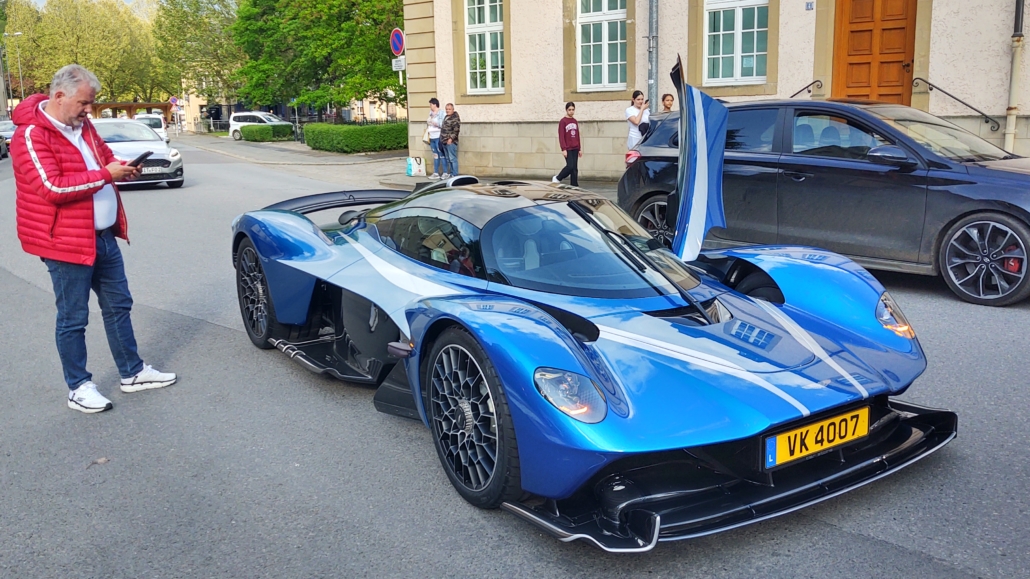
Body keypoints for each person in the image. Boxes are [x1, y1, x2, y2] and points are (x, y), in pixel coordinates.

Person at [11, 64, 177, 414]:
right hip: (64, 243)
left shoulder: (82, 126)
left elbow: (105, 157)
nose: (89, 111)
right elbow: (52, 188)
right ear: (59, 96)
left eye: (91, 104)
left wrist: (123, 167)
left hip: (103, 237)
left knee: (119, 306)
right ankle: (78, 387)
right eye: (84, 103)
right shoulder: (31, 135)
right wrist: (106, 174)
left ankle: (132, 372)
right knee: (73, 318)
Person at [552, 102, 581, 187]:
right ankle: (558, 178)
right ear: (566, 110)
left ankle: (574, 185)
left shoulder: (575, 121)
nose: (571, 111)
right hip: (568, 148)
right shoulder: (563, 121)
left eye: (573, 110)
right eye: (569, 110)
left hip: (575, 147)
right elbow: (561, 136)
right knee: (570, 166)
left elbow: (577, 135)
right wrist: (563, 149)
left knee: (574, 168)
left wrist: (579, 148)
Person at [426, 98, 446, 179]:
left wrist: (435, 123)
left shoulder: (441, 113)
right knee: (435, 155)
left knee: (441, 154)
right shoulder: (430, 113)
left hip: (438, 136)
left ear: (435, 104)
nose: (430, 106)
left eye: (431, 104)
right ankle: (436, 173)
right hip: (432, 137)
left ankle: (445, 173)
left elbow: (443, 124)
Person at [440, 103, 461, 178]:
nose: (447, 110)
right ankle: (451, 173)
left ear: (453, 109)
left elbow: (456, 130)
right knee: (448, 159)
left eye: (449, 109)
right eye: (446, 109)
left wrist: (451, 139)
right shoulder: (446, 117)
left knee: (452, 159)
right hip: (444, 141)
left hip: (451, 142)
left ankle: (454, 174)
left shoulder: (455, 118)